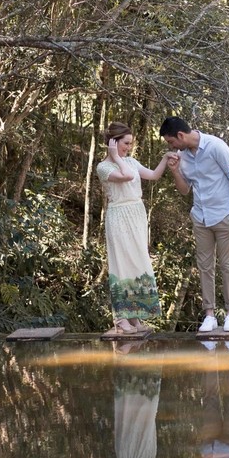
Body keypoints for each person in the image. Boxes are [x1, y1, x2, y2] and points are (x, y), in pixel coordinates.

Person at [159, 116, 229, 333]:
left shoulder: (216, 146)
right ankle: (209, 315)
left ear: (180, 135)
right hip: (201, 217)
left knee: (228, 265)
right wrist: (175, 171)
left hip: (224, 215)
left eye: (171, 142)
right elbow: (185, 190)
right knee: (204, 266)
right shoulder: (182, 157)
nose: (171, 147)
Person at [96, 122, 169, 334]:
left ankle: (135, 313)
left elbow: (153, 175)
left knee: (138, 262)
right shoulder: (104, 167)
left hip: (137, 214)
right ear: (113, 142)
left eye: (130, 143)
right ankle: (121, 318)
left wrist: (166, 158)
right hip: (119, 216)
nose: (129, 147)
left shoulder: (130, 161)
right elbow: (126, 176)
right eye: (126, 143)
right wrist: (115, 157)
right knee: (122, 263)